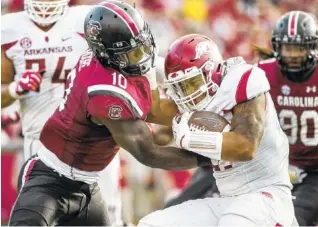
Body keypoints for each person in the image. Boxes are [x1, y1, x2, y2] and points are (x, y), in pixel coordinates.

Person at [8, 1, 210, 226]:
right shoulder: (104, 94)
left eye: (142, 46)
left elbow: (154, 101)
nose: (141, 57)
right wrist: (209, 156)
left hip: (88, 187)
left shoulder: (115, 57)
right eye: (131, 54)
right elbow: (149, 152)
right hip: (49, 180)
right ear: (106, 55)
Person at [138, 34, 295, 226]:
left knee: (235, 221)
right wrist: (144, 65)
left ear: (211, 71)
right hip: (227, 199)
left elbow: (246, 147)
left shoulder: (242, 80)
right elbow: (154, 111)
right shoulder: (194, 99)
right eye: (180, 87)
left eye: (191, 83)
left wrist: (191, 139)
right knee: (152, 223)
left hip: (268, 197)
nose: (187, 93)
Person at [0, 0, 126, 224]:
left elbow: (124, 63)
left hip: (94, 144)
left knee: (110, 217)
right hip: (41, 146)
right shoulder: (9, 28)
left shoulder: (89, 18)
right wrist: (14, 89)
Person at [257, 11, 318, 226]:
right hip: (277, 171)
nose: (292, 54)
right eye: (287, 47)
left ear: (313, 48)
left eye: (299, 48)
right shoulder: (262, 73)